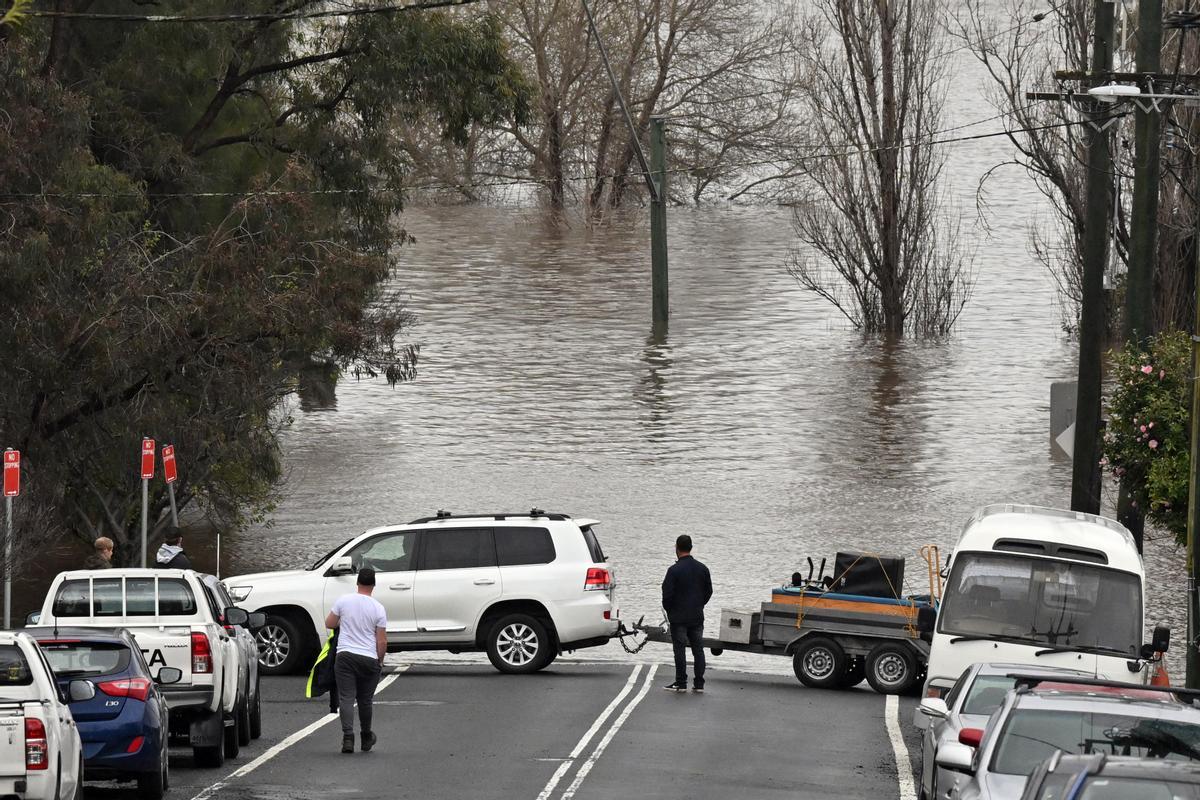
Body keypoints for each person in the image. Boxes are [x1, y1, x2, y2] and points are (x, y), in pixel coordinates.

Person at [324, 567, 387, 754]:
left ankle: (348, 738)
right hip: (368, 658)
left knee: (346, 697)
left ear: (357, 583)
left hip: (345, 656)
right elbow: (381, 640)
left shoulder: (344, 601)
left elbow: (329, 623)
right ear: (373, 585)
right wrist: (380, 660)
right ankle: (366, 736)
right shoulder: (378, 608)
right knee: (365, 700)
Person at [661, 534, 713, 693]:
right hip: (696, 615)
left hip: (678, 617)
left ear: (677, 548)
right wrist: (699, 605)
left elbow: (667, 595)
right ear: (691, 547)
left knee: (679, 649)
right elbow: (709, 591)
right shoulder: (703, 568)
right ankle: (699, 684)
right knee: (698, 649)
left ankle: (681, 682)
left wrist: (670, 611)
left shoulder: (673, 570)